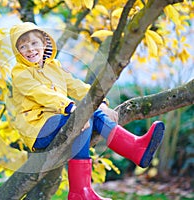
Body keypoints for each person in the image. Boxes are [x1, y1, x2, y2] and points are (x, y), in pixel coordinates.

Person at [9, 22, 165, 200]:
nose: (30, 49)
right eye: (23, 46)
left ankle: (134, 150)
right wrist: (70, 107)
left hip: (57, 120)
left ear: (45, 44)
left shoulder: (54, 67)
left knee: (91, 116)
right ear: (18, 52)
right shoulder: (20, 73)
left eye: (34, 43)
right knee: (82, 117)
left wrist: (100, 103)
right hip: (38, 128)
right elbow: (41, 94)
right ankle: (83, 188)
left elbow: (77, 86)